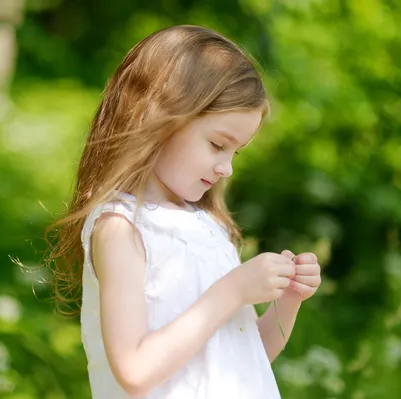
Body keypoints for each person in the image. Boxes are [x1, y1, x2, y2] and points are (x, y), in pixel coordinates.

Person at [45, 25, 322, 399]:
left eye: (234, 152)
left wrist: (287, 301)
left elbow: (247, 357)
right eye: (217, 144)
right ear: (159, 120)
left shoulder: (208, 228)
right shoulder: (121, 228)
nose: (227, 168)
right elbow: (135, 371)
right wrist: (234, 290)